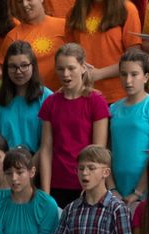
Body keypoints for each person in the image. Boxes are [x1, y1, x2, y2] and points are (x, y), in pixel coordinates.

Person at [38, 43, 109, 207]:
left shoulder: (96, 101)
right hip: (57, 181)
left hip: (85, 183)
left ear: (83, 68)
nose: (66, 74)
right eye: (60, 69)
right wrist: (46, 192)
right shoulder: (50, 102)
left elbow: (98, 149)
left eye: (71, 68)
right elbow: (46, 148)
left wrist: (91, 185)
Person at [109, 50, 149, 202]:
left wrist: (137, 192)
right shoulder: (113, 108)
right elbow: (105, 151)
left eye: (134, 74)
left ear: (146, 77)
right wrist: (112, 188)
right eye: (124, 74)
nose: (128, 80)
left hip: (145, 190)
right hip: (116, 189)